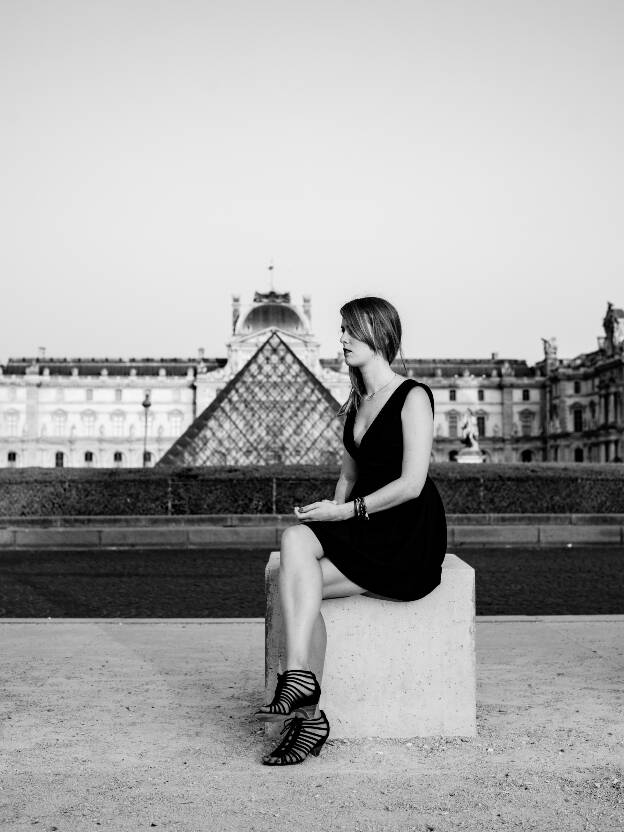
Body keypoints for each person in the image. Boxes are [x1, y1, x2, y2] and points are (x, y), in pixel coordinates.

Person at [255, 296, 447, 765]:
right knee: (296, 541)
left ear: (378, 333)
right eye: (341, 329)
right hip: (367, 524)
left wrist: (344, 516)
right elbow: (348, 475)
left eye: (348, 330)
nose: (339, 339)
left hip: (407, 535)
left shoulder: (413, 395)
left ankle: (307, 711)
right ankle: (303, 692)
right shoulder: (357, 400)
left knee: (296, 581)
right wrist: (332, 515)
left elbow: (412, 483)